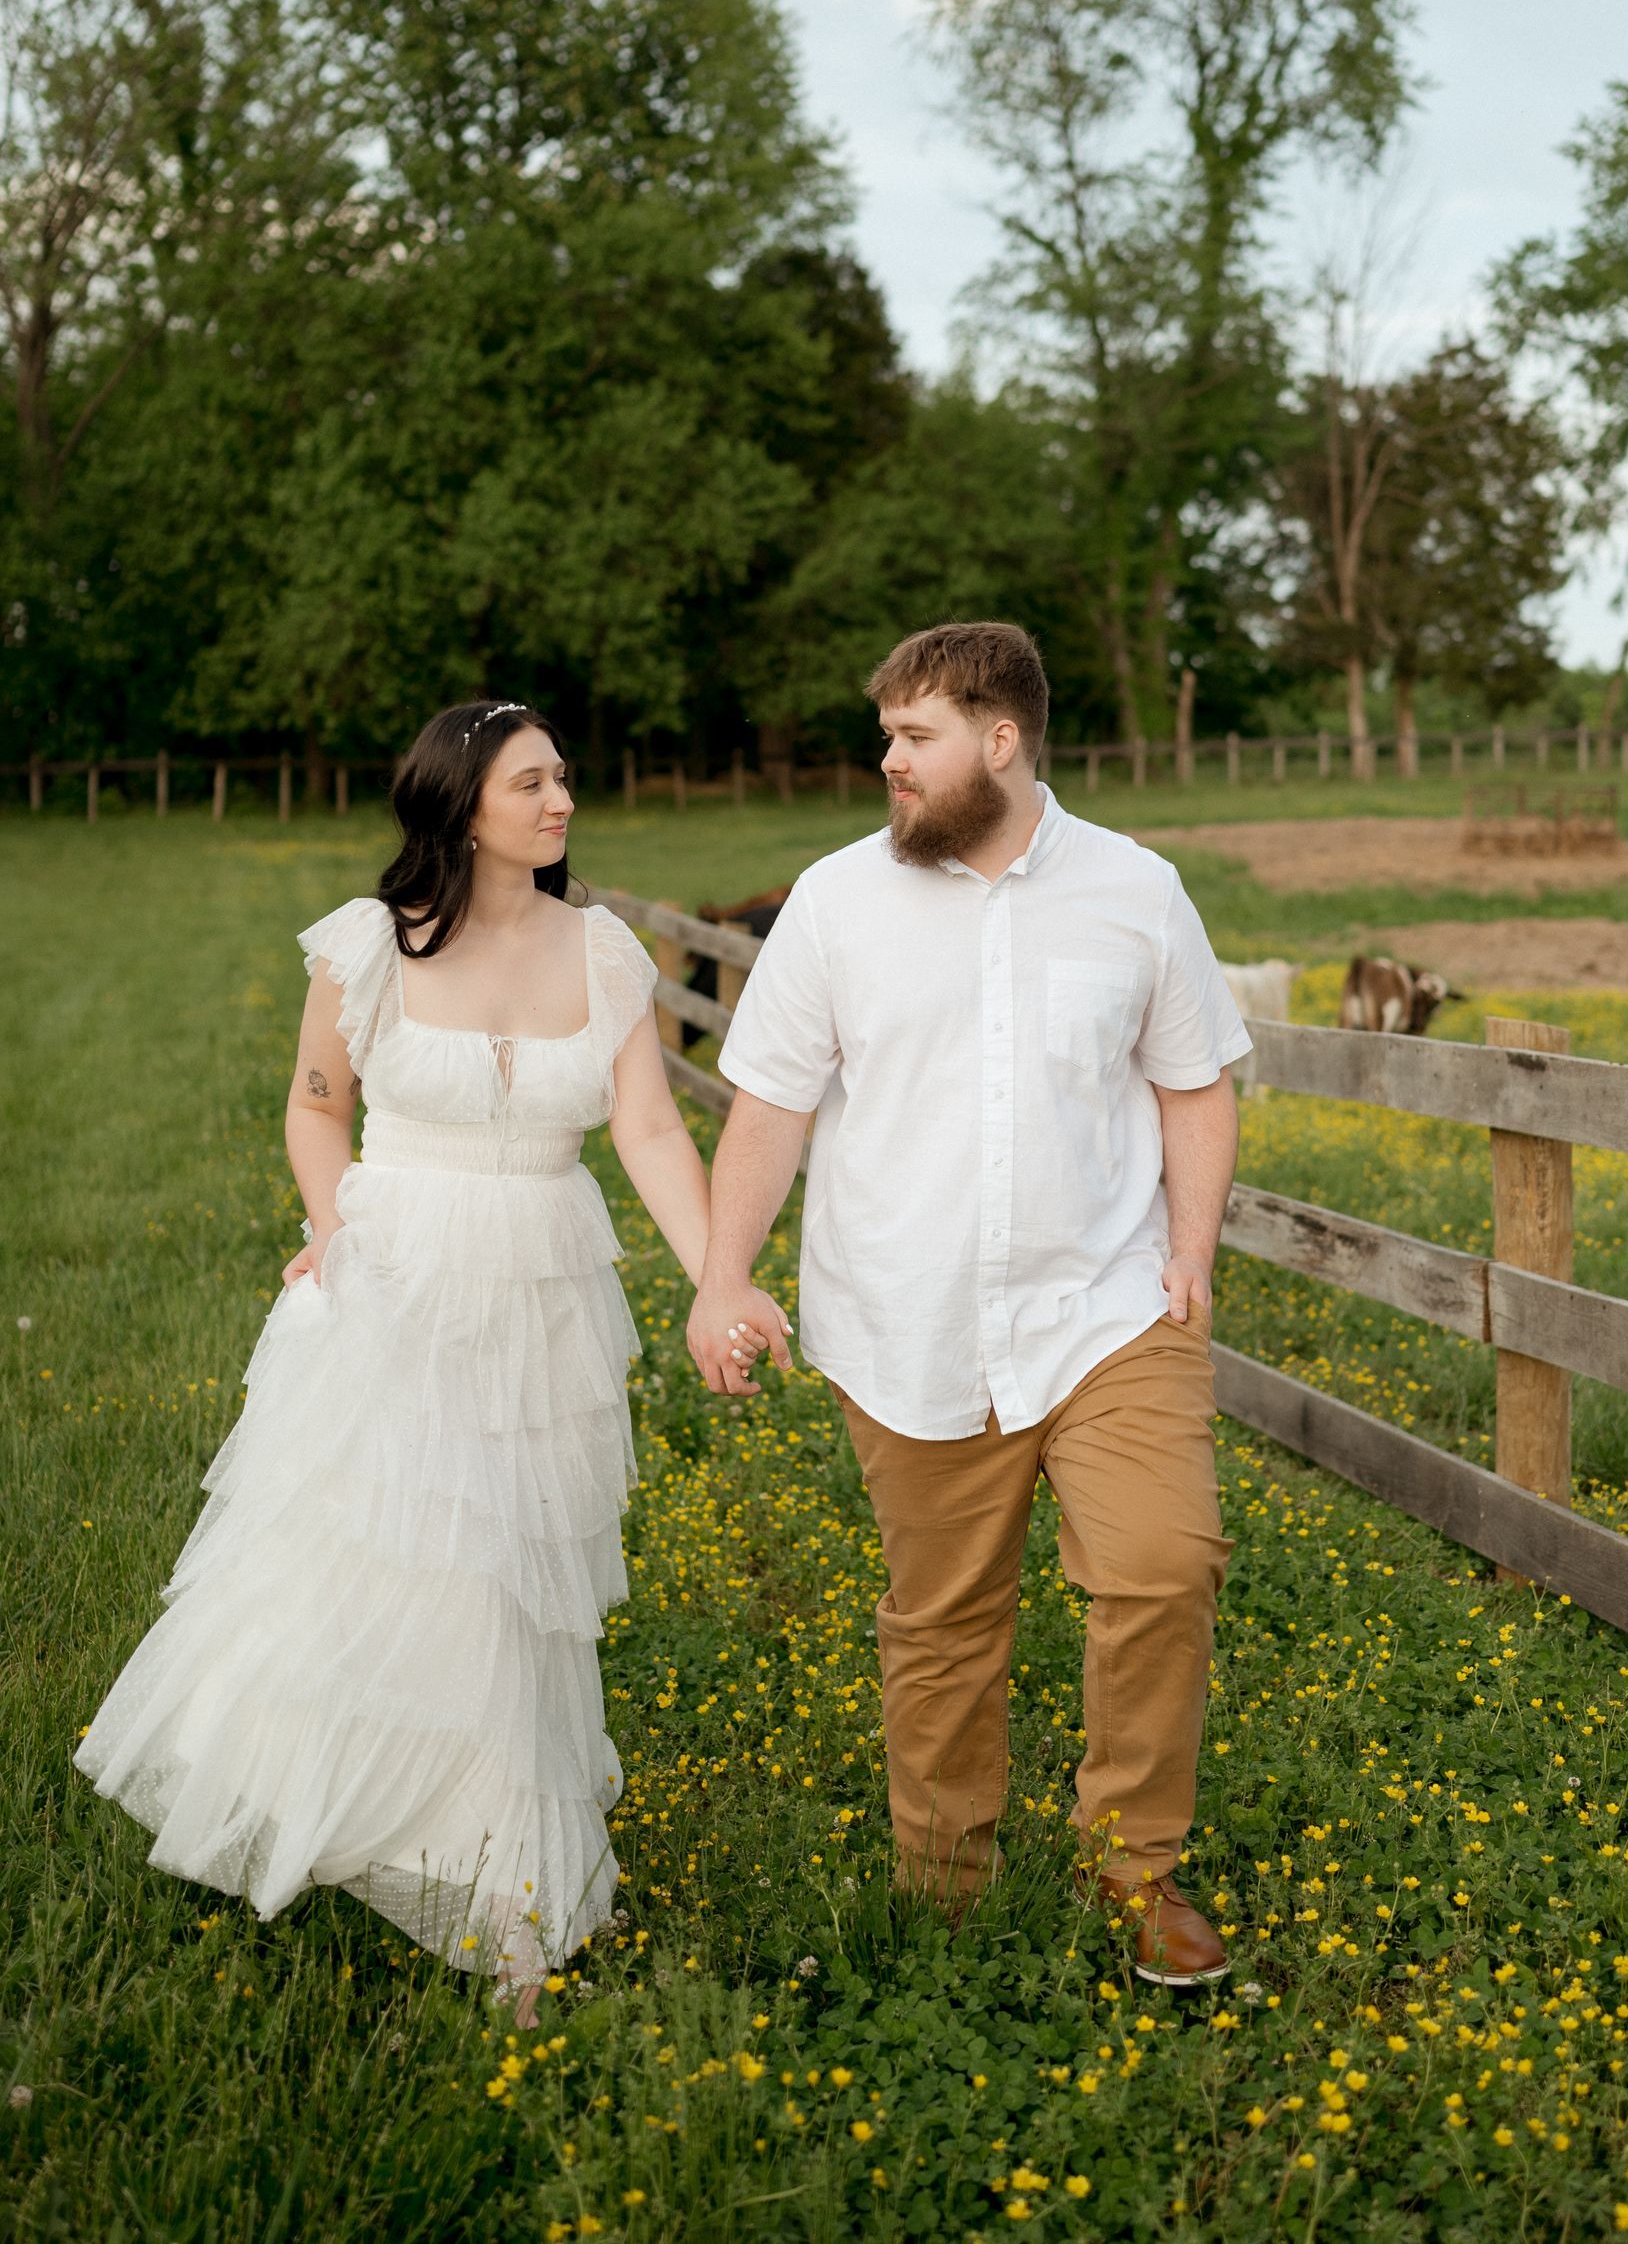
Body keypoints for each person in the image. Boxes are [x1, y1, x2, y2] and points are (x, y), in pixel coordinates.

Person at [74, 702, 710, 2028]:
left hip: (541, 1280)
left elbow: (647, 1127)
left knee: (512, 1583)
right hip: (396, 1262)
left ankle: (505, 1886)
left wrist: (721, 1275)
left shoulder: (604, 952)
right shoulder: (367, 944)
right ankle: (341, 1805)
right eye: (534, 780)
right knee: (395, 1567)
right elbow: (317, 1106)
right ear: (461, 802)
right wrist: (331, 1228)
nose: (563, 800)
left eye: (565, 777)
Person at [693, 623, 1249, 1986]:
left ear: (1000, 741)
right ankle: (945, 1891)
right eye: (887, 734)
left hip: (1110, 1309)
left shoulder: (1136, 890)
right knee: (941, 1620)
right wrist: (722, 1271)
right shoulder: (834, 901)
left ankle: (1138, 1868)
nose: (888, 759)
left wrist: (1191, 1247)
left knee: (1162, 1566)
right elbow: (770, 1101)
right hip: (907, 1316)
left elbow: (1195, 1082)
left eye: (914, 735)